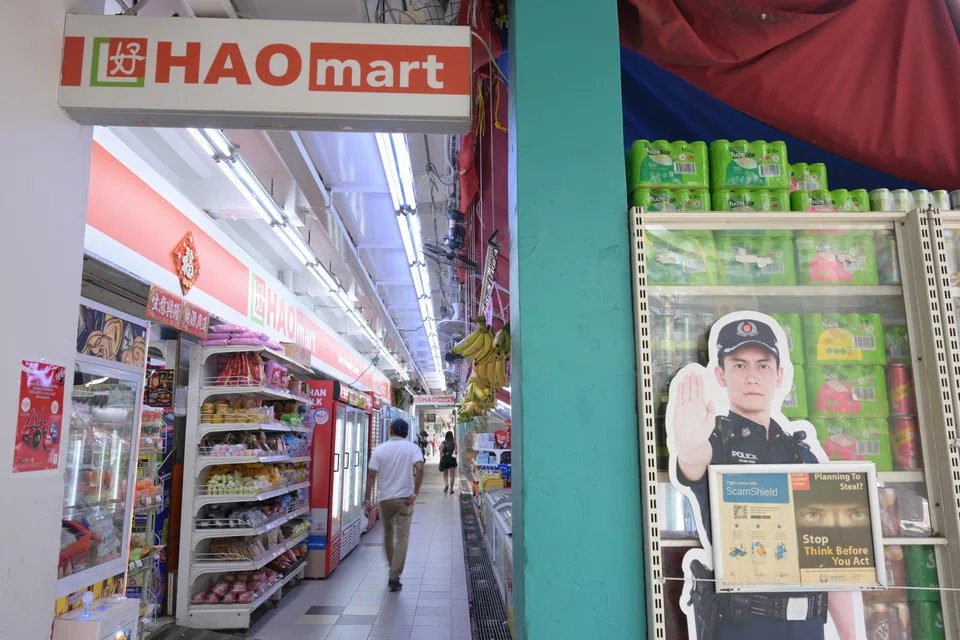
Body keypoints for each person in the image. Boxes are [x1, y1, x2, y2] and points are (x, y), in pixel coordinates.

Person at [671, 317, 856, 640]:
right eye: (739, 366)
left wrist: (852, 636)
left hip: (807, 628)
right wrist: (687, 446)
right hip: (742, 626)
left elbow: (827, 559)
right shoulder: (716, 443)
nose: (752, 377)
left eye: (763, 366)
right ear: (721, 374)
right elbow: (693, 464)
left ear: (779, 375)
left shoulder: (802, 454)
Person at [364, 418, 424, 591]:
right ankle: (394, 574)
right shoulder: (412, 448)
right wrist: (416, 493)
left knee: (388, 533)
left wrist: (368, 500)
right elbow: (420, 468)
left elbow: (371, 475)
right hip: (405, 499)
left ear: (390, 431)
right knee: (403, 536)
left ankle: (392, 565)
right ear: (406, 433)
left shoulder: (380, 450)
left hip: (385, 499)